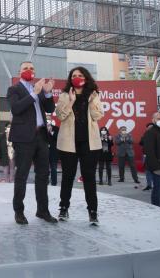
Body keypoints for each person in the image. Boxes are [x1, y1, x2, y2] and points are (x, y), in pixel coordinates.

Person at [7, 61, 57, 225]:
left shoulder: (39, 89)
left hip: (41, 137)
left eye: (32, 68)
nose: (29, 70)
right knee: (21, 175)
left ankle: (42, 210)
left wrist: (48, 94)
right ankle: (19, 212)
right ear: (19, 71)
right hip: (23, 138)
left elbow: (49, 109)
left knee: (43, 175)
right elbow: (16, 109)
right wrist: (34, 94)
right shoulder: (14, 89)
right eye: (25, 68)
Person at [55, 66, 103, 225]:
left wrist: (91, 101)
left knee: (89, 178)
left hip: (89, 143)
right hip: (68, 143)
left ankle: (93, 211)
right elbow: (61, 115)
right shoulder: (64, 95)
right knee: (68, 177)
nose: (76, 77)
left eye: (80, 75)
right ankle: (63, 208)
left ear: (85, 77)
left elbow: (98, 115)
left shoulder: (94, 94)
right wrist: (71, 101)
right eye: (73, 75)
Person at [47, 118, 60, 186]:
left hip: (54, 151)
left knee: (53, 167)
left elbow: (58, 137)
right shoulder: (43, 129)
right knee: (45, 167)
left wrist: (51, 132)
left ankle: (54, 182)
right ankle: (45, 181)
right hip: (45, 151)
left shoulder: (56, 128)